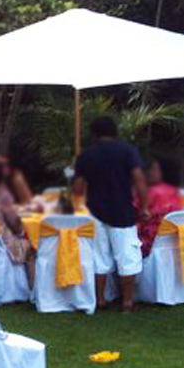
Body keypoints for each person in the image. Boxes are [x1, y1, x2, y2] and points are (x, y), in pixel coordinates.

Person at [71, 116, 148, 312]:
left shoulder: (86, 155)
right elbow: (139, 179)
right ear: (114, 131)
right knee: (127, 257)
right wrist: (144, 206)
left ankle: (100, 299)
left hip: (95, 212)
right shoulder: (127, 151)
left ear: (94, 134)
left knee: (99, 257)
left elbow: (78, 189)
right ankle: (127, 302)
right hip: (122, 211)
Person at [137, 157, 183, 256]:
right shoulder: (176, 192)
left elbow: (136, 213)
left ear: (165, 171)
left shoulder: (154, 192)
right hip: (171, 242)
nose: (150, 172)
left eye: (154, 169)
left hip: (148, 242)